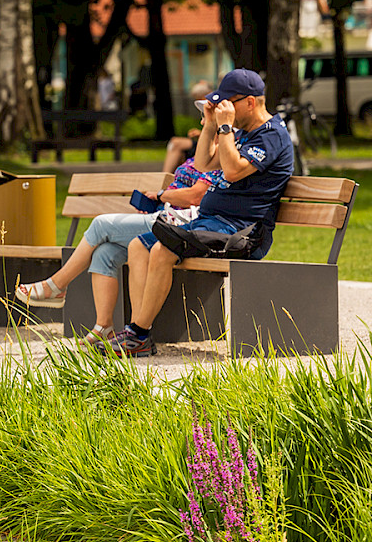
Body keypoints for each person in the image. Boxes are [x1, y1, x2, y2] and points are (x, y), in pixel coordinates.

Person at [100, 68, 293, 357]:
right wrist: (210, 126)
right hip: (211, 224)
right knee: (139, 246)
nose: (224, 108)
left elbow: (233, 170)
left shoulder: (271, 136)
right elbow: (203, 164)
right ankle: (138, 333)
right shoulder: (242, 133)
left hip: (240, 232)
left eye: (230, 102)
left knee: (163, 250)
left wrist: (226, 128)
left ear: (250, 102)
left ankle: (138, 335)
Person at [14, 157, 214, 344]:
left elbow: (195, 196)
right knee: (105, 252)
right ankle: (106, 328)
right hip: (162, 214)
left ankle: (57, 285)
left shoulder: (220, 155)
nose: (202, 123)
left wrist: (161, 195)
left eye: (205, 118)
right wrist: (156, 200)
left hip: (177, 223)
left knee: (101, 224)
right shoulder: (202, 152)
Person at [160, 80, 213, 173]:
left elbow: (217, 134)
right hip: (204, 140)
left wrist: (201, 134)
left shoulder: (214, 105)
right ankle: (169, 178)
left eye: (198, 97)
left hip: (210, 143)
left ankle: (164, 177)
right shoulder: (205, 106)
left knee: (176, 144)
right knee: (177, 149)